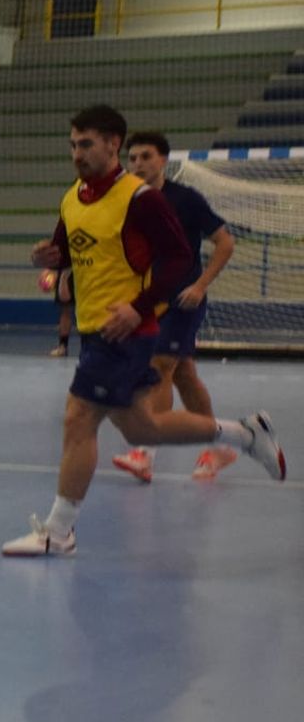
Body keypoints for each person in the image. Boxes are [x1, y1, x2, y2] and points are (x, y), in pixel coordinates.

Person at [4, 105, 284, 558]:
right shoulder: (73, 196)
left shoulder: (141, 199)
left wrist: (138, 309)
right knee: (143, 428)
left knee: (79, 418)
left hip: (127, 331)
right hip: (94, 327)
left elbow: (177, 259)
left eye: (87, 144)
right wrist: (49, 257)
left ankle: (59, 531)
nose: (78, 153)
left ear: (113, 144)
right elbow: (67, 250)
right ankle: (245, 434)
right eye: (73, 144)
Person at [111, 130, 239, 483]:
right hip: (148, 301)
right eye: (133, 157)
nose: (138, 163)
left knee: (160, 366)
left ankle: (145, 453)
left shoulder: (186, 199)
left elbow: (225, 243)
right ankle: (220, 447)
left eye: (146, 156)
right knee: (184, 375)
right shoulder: (125, 201)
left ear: (163, 160)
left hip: (183, 299)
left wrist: (200, 286)